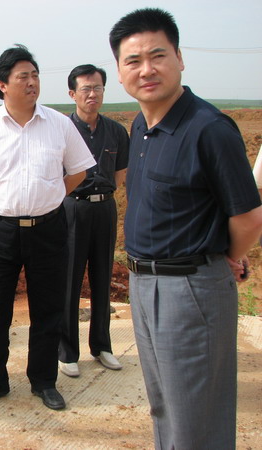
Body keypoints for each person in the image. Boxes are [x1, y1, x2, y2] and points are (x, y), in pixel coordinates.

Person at [109, 8, 262, 449]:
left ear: (179, 58)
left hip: (190, 288)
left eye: (158, 56)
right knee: (164, 405)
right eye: (133, 61)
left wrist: (224, 257)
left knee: (196, 415)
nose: (146, 69)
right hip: (144, 283)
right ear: (120, 71)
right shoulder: (141, 125)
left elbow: (249, 217)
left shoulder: (208, 129)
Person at [0, 46, 95, 410]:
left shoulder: (59, 124)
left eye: (35, 75)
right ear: (2, 85)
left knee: (48, 309)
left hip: (49, 228)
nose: (32, 82)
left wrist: (51, 195)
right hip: (0, 230)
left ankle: (43, 381)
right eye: (23, 76)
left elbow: (78, 171)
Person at [57, 65, 129, 378]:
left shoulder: (116, 131)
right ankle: (67, 352)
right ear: (72, 93)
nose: (92, 94)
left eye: (97, 88)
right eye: (85, 89)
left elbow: (120, 175)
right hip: (73, 208)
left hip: (105, 209)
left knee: (102, 277)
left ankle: (102, 346)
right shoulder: (62, 129)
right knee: (70, 280)